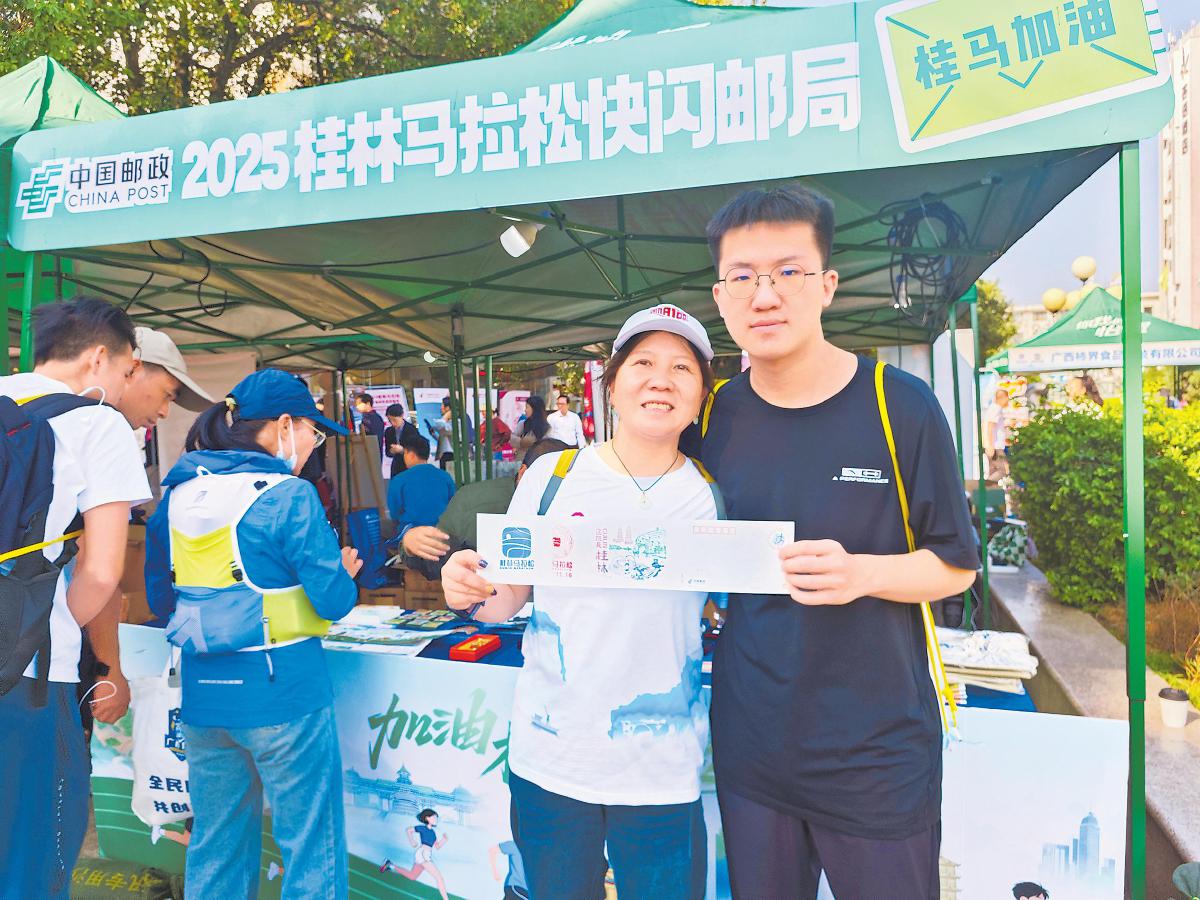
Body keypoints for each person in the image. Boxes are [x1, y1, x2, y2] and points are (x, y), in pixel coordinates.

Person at [694, 187, 977, 900]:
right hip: (753, 747)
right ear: (720, 297)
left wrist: (864, 574)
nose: (765, 295)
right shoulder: (714, 415)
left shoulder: (899, 404)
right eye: (743, 276)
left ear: (826, 285)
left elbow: (956, 566)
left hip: (876, 754)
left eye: (788, 272)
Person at [442, 304, 720, 900]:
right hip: (551, 761)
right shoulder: (553, 477)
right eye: (643, 363)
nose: (661, 380)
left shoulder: (713, 494)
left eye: (682, 368)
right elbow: (506, 597)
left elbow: (730, 605)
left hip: (663, 771)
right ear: (612, 385)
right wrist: (467, 591)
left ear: (701, 396)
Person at [144, 368, 362, 899]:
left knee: (216, 845)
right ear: (284, 425)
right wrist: (344, 573)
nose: (313, 445)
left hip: (204, 697)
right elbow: (333, 601)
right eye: (313, 431)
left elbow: (161, 601)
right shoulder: (290, 495)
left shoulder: (177, 492)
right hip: (284, 692)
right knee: (311, 848)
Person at [0, 298, 150, 900]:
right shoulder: (96, 423)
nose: (126, 385)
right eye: (127, 370)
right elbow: (103, 570)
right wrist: (45, 619)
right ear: (97, 358)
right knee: (36, 850)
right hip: (33, 673)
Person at [83, 326, 214, 729]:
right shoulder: (105, 435)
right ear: (132, 368)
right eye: (167, 394)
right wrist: (108, 668)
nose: (165, 412)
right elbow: (99, 571)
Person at [402, 439, 570, 579]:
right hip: (486, 602)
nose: (558, 493)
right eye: (551, 483)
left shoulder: (578, 509)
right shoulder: (473, 502)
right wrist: (410, 543)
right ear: (523, 474)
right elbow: (434, 562)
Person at [386, 435, 457, 535]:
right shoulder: (445, 476)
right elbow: (453, 505)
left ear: (411, 454)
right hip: (443, 532)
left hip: (412, 534)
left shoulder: (399, 480)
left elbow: (394, 513)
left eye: (405, 453)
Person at [380, 809, 451, 900]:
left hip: (426, 855)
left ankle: (390, 865)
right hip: (423, 855)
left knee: (412, 876)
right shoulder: (423, 828)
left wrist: (444, 839)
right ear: (427, 818)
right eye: (434, 817)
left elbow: (437, 846)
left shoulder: (433, 833)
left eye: (436, 817)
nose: (436, 819)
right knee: (439, 878)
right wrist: (412, 841)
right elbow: (409, 830)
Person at [429, 396, 475, 471]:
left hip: (452, 456)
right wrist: (433, 434)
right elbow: (446, 440)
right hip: (446, 455)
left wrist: (446, 415)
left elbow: (439, 425)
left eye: (442, 405)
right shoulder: (449, 423)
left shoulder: (457, 422)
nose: (441, 408)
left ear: (448, 408)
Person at [983, 388, 1012, 481]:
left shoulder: (992, 408)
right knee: (1003, 471)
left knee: (993, 470)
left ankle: (988, 487)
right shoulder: (996, 408)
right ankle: (984, 485)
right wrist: (991, 446)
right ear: (1003, 398)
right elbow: (990, 427)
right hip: (995, 446)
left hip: (993, 445)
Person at [383, 403, 420, 478]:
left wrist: (403, 450)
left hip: (410, 465)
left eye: (394, 420)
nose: (392, 423)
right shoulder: (388, 431)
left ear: (402, 416)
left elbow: (418, 449)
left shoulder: (411, 430)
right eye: (390, 420)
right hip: (396, 466)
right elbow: (387, 452)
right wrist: (392, 451)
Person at [355, 391, 386, 459]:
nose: (357, 406)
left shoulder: (373, 418)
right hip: (369, 452)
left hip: (373, 453)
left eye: (359, 403)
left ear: (368, 403)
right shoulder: (367, 417)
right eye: (356, 404)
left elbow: (374, 436)